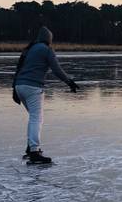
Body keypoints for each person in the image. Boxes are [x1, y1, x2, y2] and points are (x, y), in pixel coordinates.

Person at [12, 26, 79, 164]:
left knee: (33, 118)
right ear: (49, 40)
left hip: (20, 86)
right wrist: (70, 82)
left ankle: (30, 148)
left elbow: (18, 68)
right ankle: (34, 151)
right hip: (33, 87)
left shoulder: (29, 49)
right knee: (37, 118)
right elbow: (57, 70)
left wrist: (14, 89)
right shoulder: (46, 50)